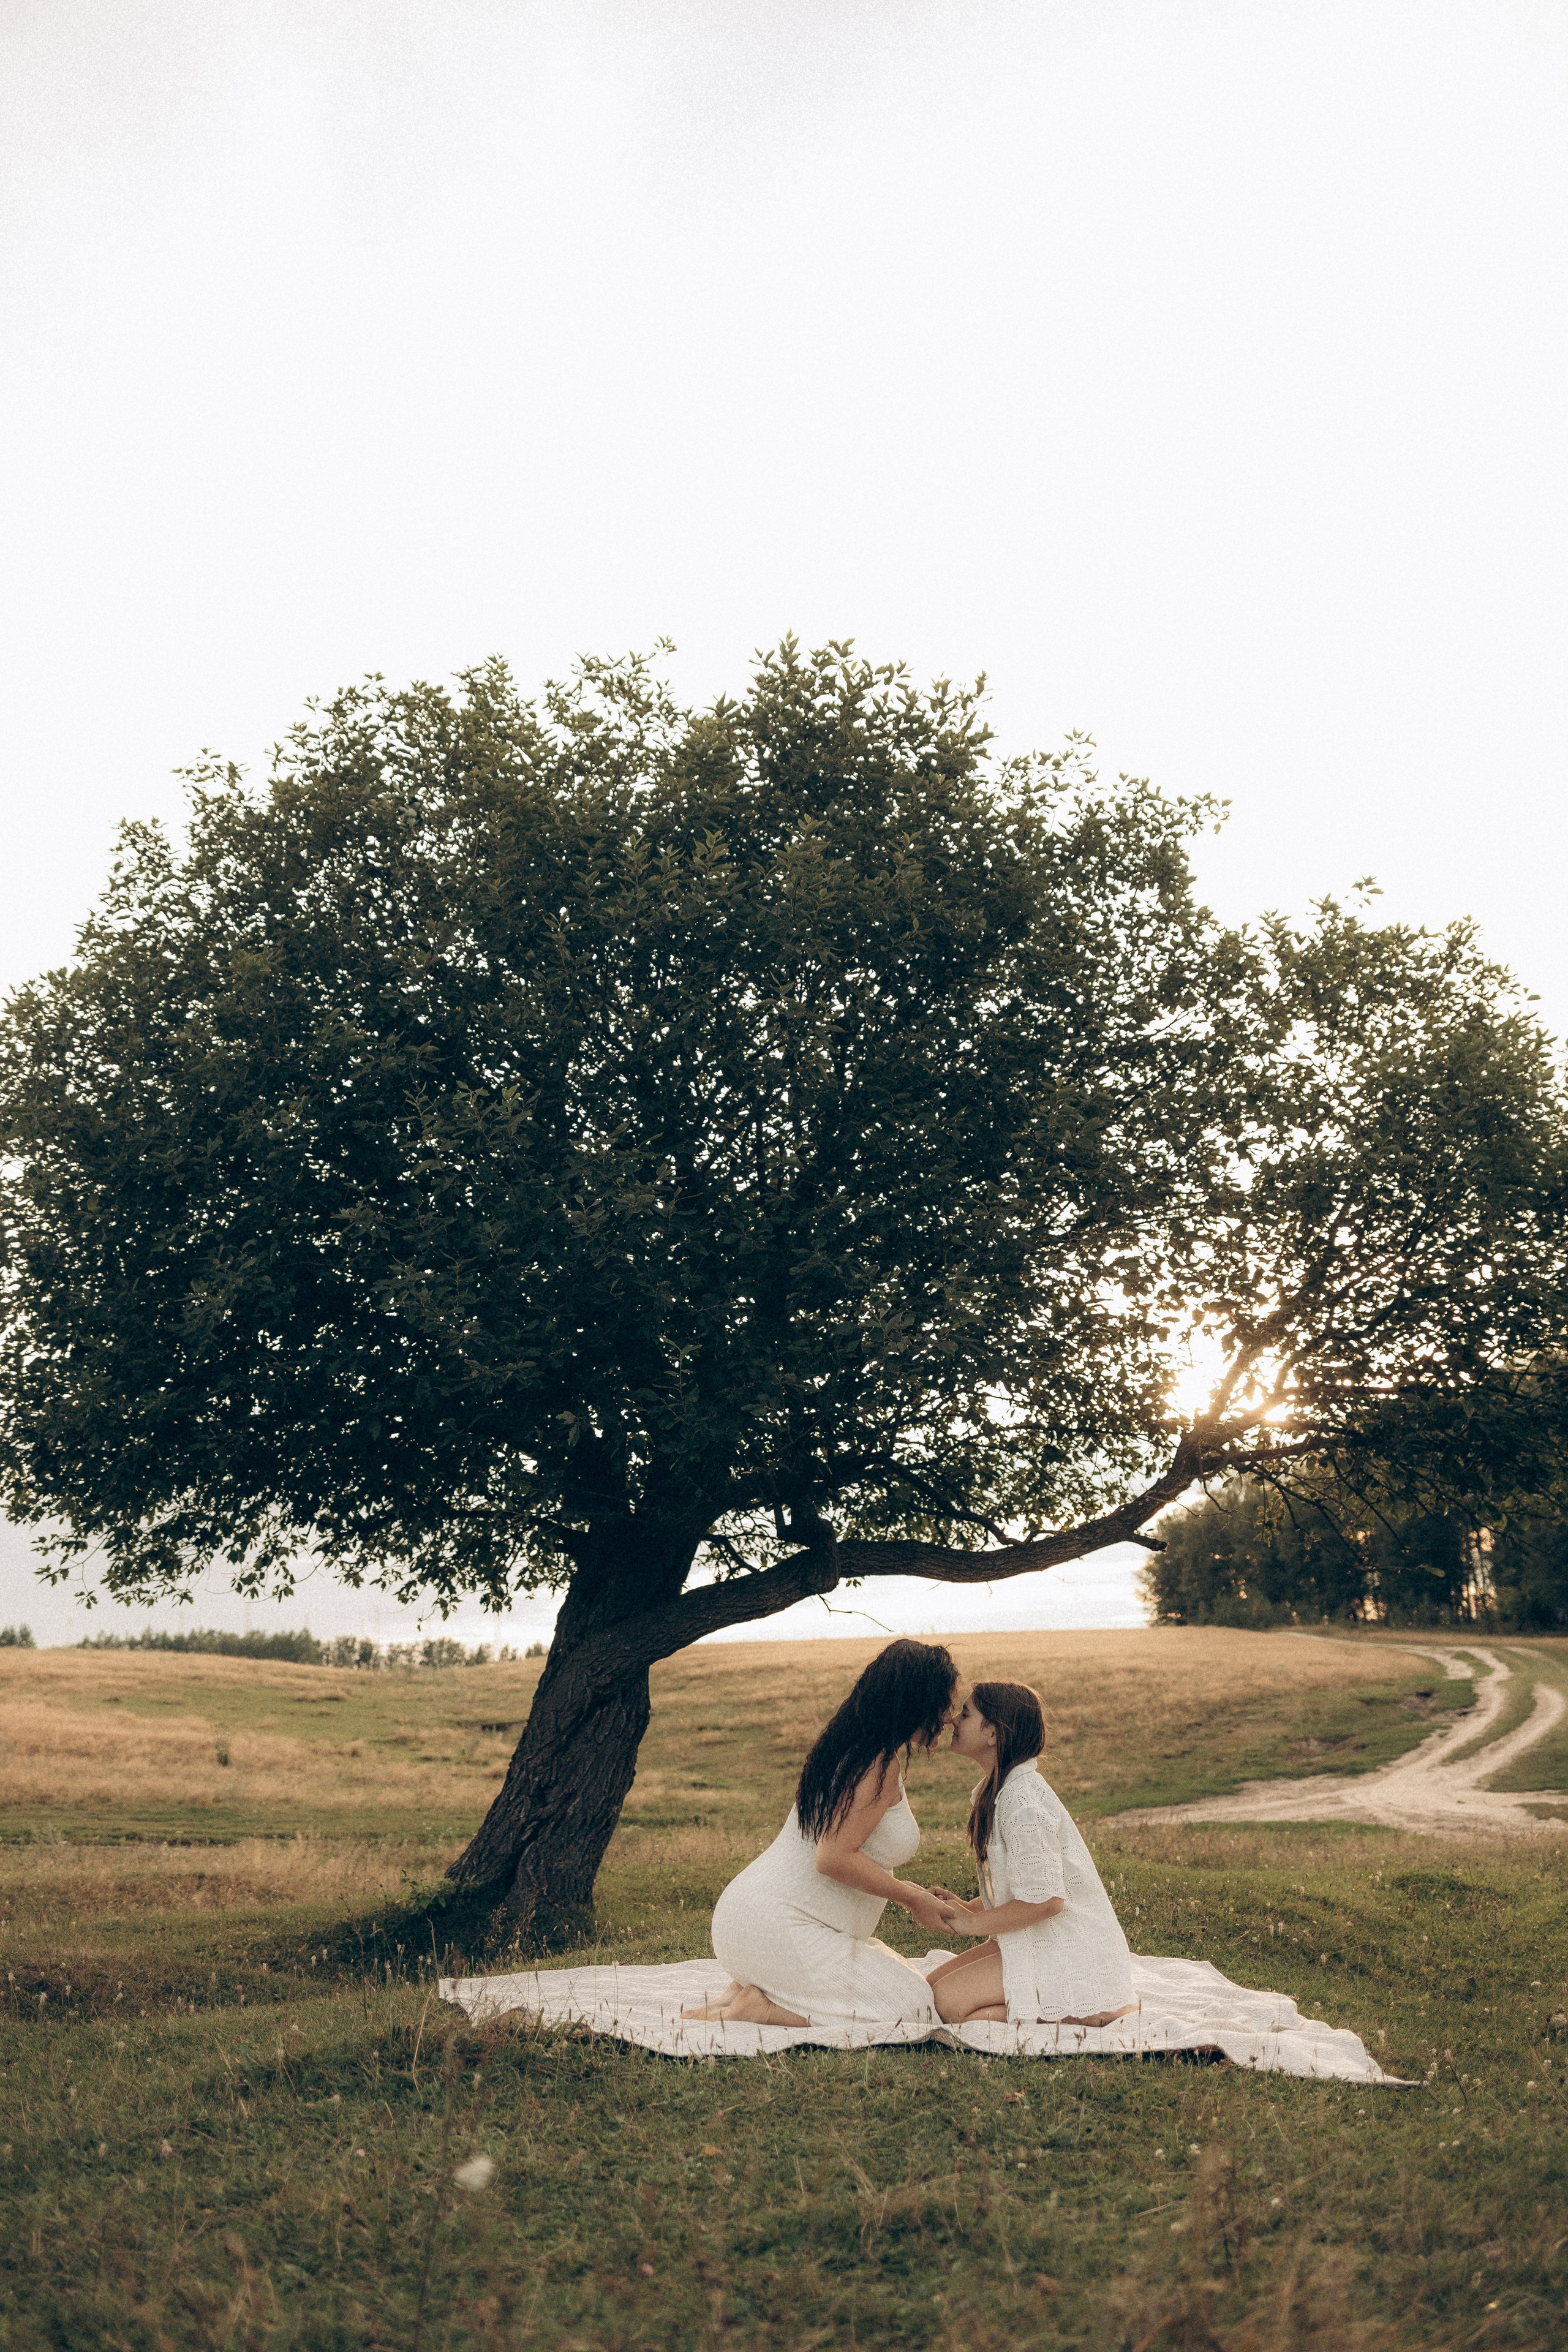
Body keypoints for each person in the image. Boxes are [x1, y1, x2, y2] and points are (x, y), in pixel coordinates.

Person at [682, 1638, 959, 2026]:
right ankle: (763, 2008)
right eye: (944, 1701)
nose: (948, 1716)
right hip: (777, 1929)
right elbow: (833, 1857)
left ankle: (753, 1987)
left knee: (910, 1985)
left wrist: (913, 1892)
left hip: (753, 1925)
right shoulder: (876, 1764)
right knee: (911, 2007)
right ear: (916, 1701)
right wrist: (910, 1899)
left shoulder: (852, 1747)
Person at [926, 1680, 1137, 2028]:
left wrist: (975, 1924)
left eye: (966, 1714)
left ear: (992, 1733)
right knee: (931, 1990)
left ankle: (1090, 2011)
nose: (953, 1721)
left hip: (1068, 1948)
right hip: (1036, 1937)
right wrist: (966, 1907)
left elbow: (1048, 1901)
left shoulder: (1021, 1800)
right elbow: (1025, 1888)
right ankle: (1055, 2008)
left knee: (947, 2004)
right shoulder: (997, 1790)